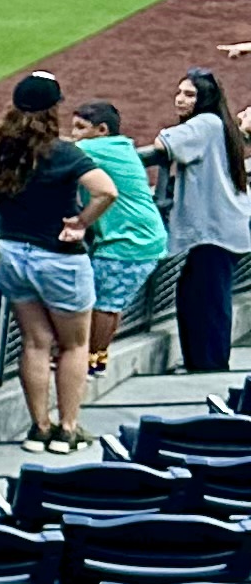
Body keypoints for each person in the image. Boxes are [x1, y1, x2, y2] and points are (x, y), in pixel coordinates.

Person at [0, 74, 118, 454]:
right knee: (74, 346)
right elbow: (106, 190)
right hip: (59, 259)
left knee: (35, 343)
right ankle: (68, 428)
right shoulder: (64, 152)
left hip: (12, 253)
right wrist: (81, 223)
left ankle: (39, 427)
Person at [151, 66, 251, 374]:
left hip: (215, 229)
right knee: (201, 294)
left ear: (205, 99)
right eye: (179, 93)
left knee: (205, 299)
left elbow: (162, 145)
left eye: (190, 95)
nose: (180, 100)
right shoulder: (219, 123)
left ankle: (208, 364)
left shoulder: (206, 123)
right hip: (224, 226)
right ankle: (204, 361)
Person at [70, 101, 173, 371]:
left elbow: (58, 151)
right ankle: (98, 356)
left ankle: (91, 359)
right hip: (141, 240)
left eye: (80, 128)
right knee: (110, 303)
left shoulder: (94, 148)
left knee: (103, 304)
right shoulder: (121, 146)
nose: (75, 134)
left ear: (101, 130)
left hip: (128, 242)